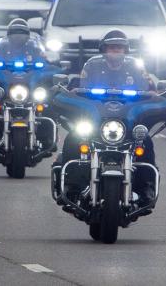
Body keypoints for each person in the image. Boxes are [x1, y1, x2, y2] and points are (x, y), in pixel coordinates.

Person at [54, 29, 159, 205]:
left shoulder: (136, 69)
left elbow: (150, 89)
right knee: (74, 138)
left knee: (145, 141)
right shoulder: (92, 67)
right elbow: (78, 86)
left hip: (126, 121)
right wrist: (73, 92)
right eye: (111, 47)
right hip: (96, 121)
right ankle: (71, 187)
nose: (115, 51)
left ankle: (145, 188)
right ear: (104, 49)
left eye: (119, 47)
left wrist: (153, 94)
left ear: (126, 50)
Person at [0, 19, 47, 143]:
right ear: (9, 34)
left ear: (28, 34)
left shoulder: (35, 48)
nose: (18, 36)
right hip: (6, 85)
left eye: (22, 32)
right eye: (15, 32)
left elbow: (47, 64)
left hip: (29, 85)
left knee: (47, 101)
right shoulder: (1, 47)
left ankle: (47, 135)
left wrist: (52, 67)